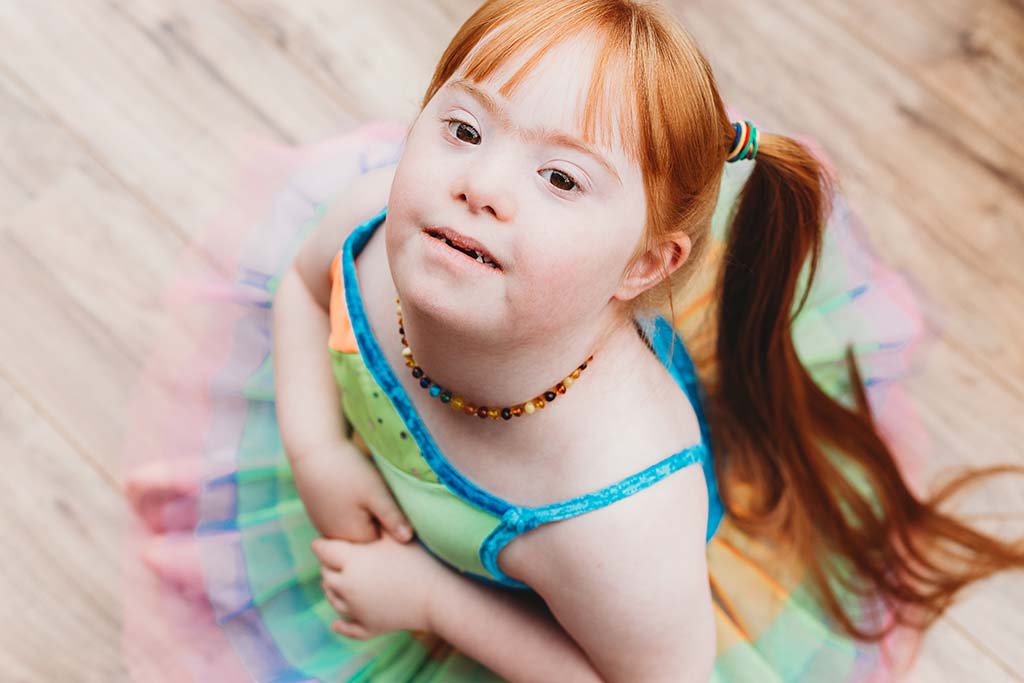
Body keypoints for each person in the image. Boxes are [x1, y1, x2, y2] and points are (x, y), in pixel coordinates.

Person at [120, 1, 1024, 681]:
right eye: (465, 128)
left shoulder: (617, 510)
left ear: (641, 266)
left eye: (559, 176)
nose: (480, 184)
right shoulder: (371, 228)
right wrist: (319, 449)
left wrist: (434, 602)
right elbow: (300, 286)